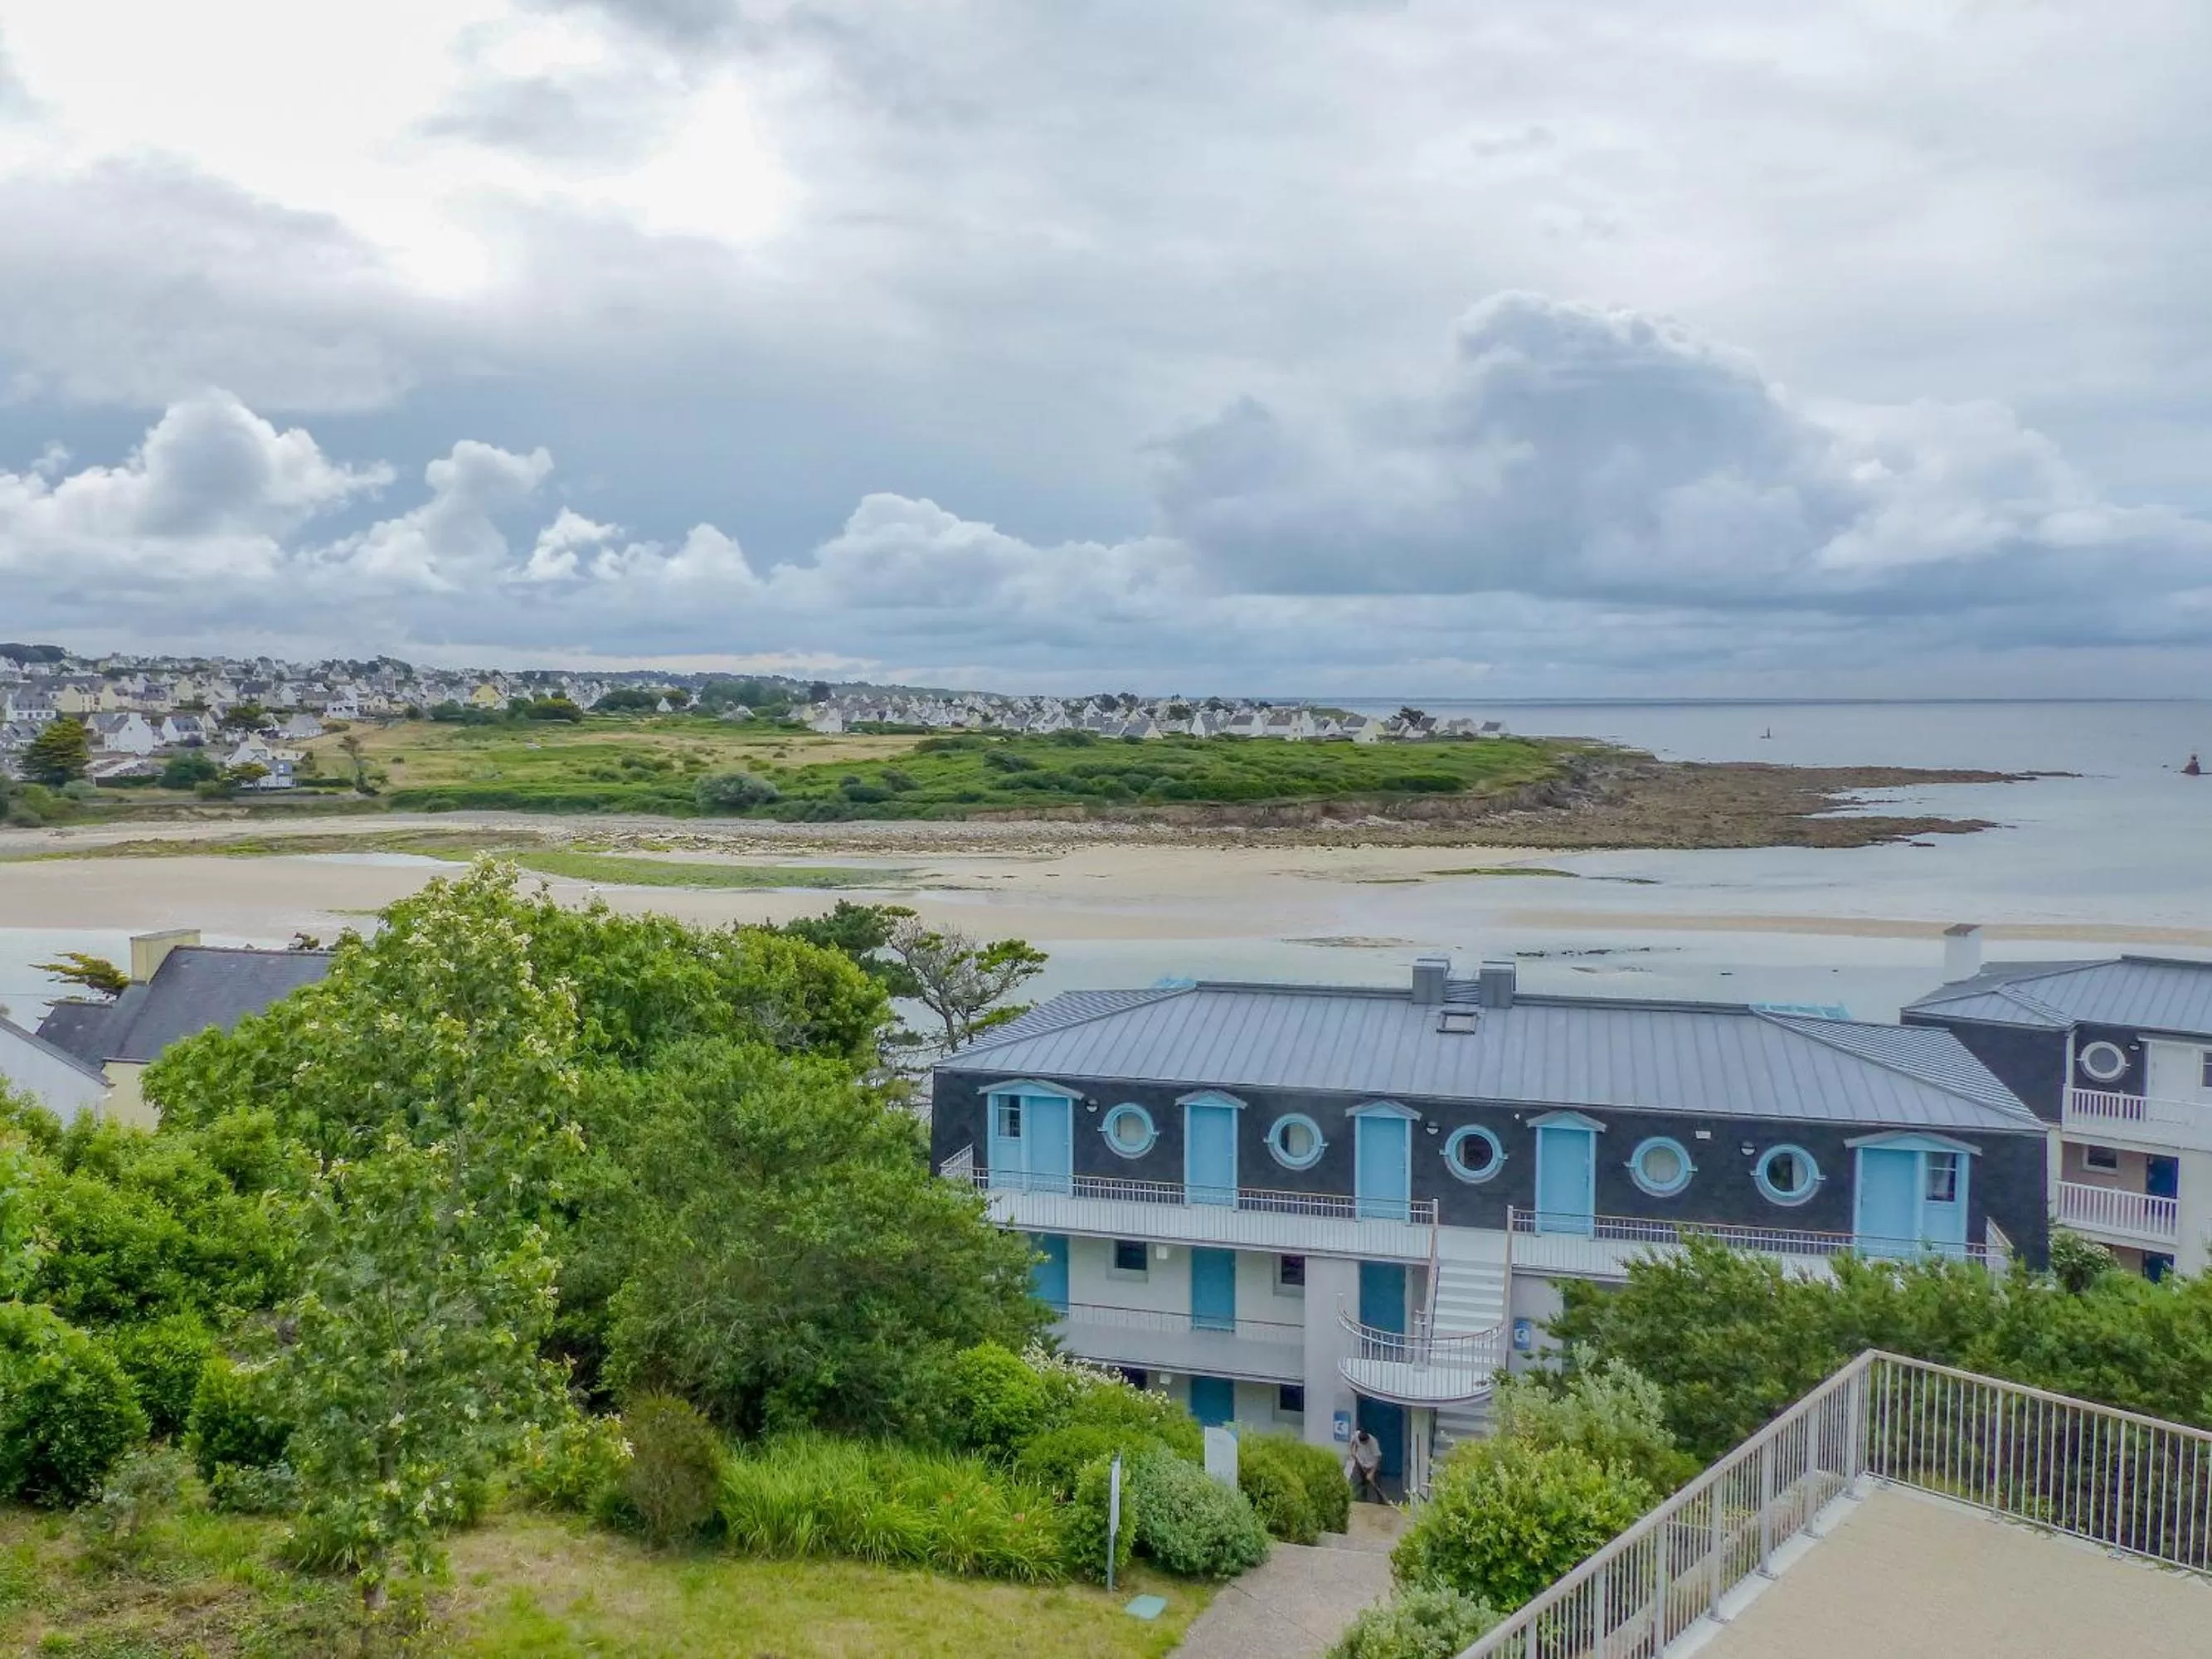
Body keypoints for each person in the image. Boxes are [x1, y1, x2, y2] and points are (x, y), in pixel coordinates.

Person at [1347, 1427, 1385, 1502]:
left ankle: (1382, 1501)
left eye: (1365, 1443)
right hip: (1361, 1462)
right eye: (1361, 1443)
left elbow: (1378, 1458)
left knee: (1376, 1484)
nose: (1363, 1444)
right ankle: (1363, 1499)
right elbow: (1352, 1442)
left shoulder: (1373, 1442)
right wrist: (1352, 1452)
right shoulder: (1356, 1435)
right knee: (1362, 1482)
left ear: (1368, 1439)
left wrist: (1371, 1473)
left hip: (1372, 1464)